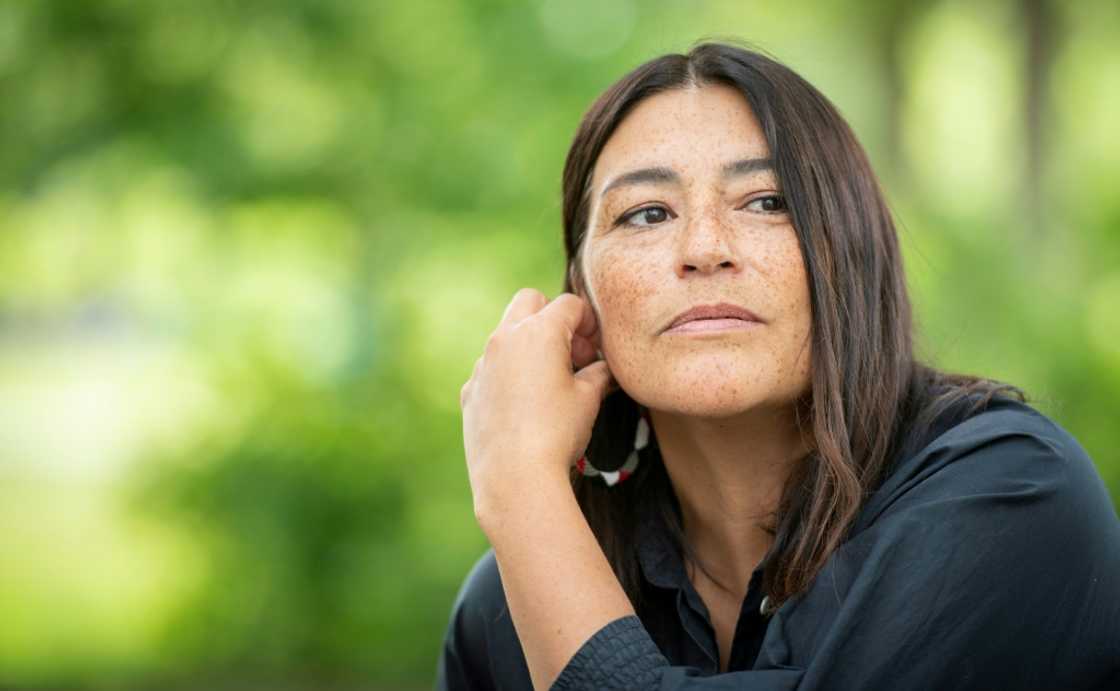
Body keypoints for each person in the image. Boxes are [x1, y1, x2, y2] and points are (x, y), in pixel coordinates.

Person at [437, 40, 1120, 690]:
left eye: (768, 202)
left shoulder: (1013, 498)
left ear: (852, 255)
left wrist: (520, 486)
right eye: (646, 214)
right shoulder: (512, 599)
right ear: (581, 299)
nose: (705, 247)